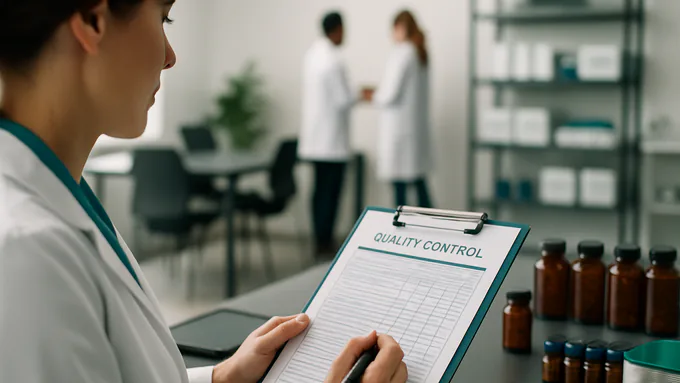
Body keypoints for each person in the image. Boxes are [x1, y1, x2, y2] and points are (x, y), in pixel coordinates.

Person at [0, 1, 407, 382]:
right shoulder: (26, 254)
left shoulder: (61, 198)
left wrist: (221, 376)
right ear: (93, 21)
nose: (170, 56)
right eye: (163, 18)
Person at [298, 11, 358, 258]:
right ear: (337, 29)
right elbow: (343, 98)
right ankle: (325, 243)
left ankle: (319, 240)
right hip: (331, 142)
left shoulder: (312, 55)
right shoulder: (333, 58)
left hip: (315, 139)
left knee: (318, 191)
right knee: (330, 194)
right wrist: (360, 94)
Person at [366, 10, 434, 208]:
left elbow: (389, 94)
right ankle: (436, 229)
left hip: (399, 132)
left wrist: (372, 95)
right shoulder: (419, 52)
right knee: (418, 183)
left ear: (400, 28)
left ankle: (398, 230)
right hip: (413, 131)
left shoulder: (403, 52)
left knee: (401, 188)